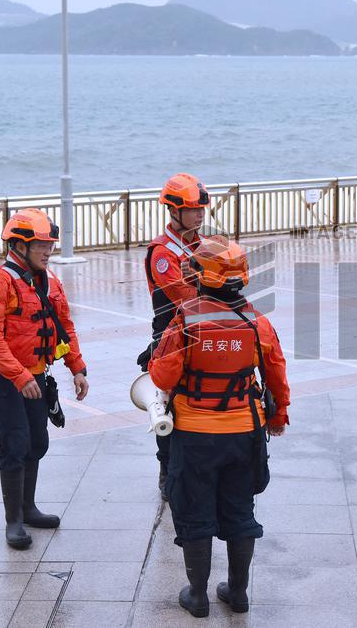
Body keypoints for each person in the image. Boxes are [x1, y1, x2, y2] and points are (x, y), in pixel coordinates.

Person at [149, 236, 290, 618]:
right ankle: (238, 593)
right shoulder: (258, 322)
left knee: (194, 513)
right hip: (244, 434)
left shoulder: (185, 322)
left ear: (202, 277)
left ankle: (198, 596)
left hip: (194, 435)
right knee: (240, 510)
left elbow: (162, 373)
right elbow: (276, 376)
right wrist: (278, 419)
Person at [0, 208, 89, 549]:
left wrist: (77, 367)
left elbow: (63, 326)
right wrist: (19, 376)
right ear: (19, 246)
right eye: (41, 244)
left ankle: (28, 508)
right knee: (14, 444)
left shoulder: (50, 281)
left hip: (35, 376)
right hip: (3, 379)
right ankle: (14, 521)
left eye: (50, 244)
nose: (48, 250)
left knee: (37, 443)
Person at [136, 173, 210, 492]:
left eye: (201, 208)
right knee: (166, 405)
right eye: (193, 209)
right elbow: (187, 297)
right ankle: (166, 471)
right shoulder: (163, 253)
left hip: (201, 333)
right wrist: (208, 281)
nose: (200, 213)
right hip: (170, 337)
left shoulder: (202, 246)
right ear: (174, 210)